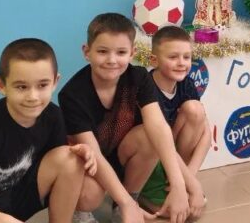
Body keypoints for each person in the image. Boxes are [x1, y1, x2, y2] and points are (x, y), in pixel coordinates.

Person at [58, 13, 203, 223]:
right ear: (87, 52)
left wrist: (181, 185)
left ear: (132, 53)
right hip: (90, 162)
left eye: (121, 52)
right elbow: (94, 154)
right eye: (102, 51)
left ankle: (127, 200)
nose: (112, 60)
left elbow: (159, 128)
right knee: (89, 194)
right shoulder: (72, 94)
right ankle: (84, 212)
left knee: (150, 135)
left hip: (122, 155)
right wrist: (127, 204)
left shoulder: (139, 77)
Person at [0, 38, 97, 223]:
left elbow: (59, 162)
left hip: (15, 198)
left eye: (42, 85)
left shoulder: (53, 116)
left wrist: (78, 150)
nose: (33, 96)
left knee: (72, 160)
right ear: (1, 85)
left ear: (55, 82)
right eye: (22, 87)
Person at [137, 26, 211, 212]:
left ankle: (177, 179)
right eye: (173, 57)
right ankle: (149, 188)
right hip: (152, 151)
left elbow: (206, 134)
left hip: (176, 151)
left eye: (186, 57)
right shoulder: (146, 87)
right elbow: (160, 139)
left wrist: (190, 179)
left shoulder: (186, 83)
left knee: (195, 110)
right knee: (158, 133)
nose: (181, 63)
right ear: (154, 60)